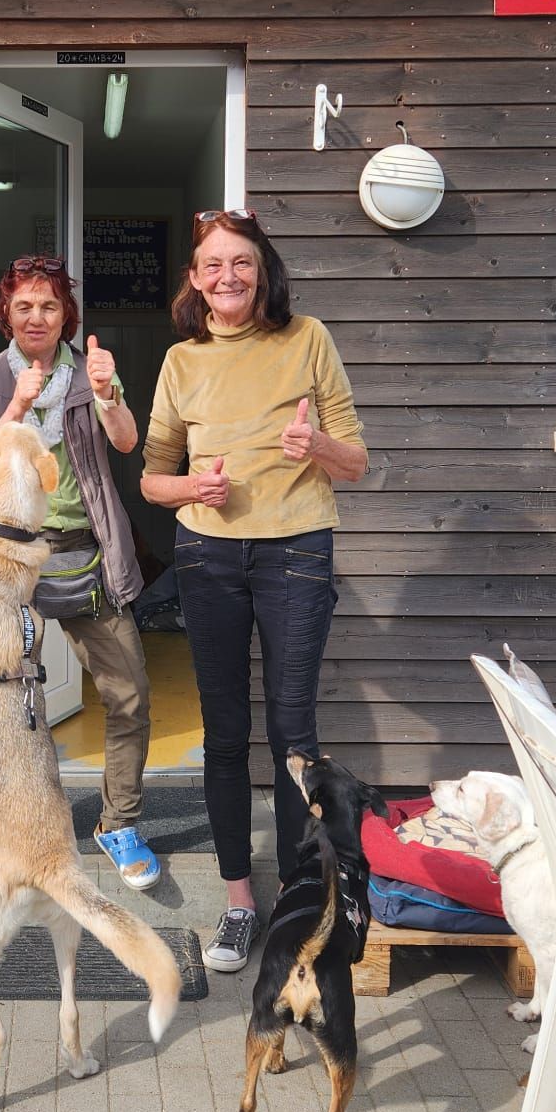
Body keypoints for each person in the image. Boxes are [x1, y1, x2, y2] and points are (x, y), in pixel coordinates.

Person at [140, 209, 367, 972]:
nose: (227, 276)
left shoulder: (308, 338)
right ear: (194, 279)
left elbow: (356, 461)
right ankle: (240, 902)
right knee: (225, 733)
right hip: (207, 557)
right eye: (212, 264)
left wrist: (317, 444)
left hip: (296, 550)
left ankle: (300, 903)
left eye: (241, 261)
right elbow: (152, 479)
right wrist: (190, 487)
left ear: (262, 270)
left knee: (293, 735)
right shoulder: (181, 361)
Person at [0, 253, 162, 890]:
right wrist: (17, 404)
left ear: (66, 312)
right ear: (6, 314)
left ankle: (119, 823)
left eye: (48, 305)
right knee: (7, 702)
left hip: (88, 554)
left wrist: (106, 393)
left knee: (129, 693)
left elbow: (126, 441)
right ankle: (22, 826)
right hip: (10, 561)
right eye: (23, 306)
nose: (36, 317)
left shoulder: (89, 371)